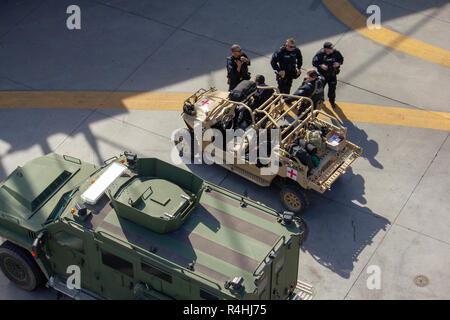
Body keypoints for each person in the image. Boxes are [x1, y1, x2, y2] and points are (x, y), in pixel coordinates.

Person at [312, 41, 344, 108]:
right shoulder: (320, 54)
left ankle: (332, 101)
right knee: (321, 89)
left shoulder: (336, 53)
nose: (332, 49)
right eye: (330, 48)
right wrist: (321, 65)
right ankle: (321, 100)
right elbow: (314, 62)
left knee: (332, 89)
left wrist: (338, 63)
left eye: (332, 48)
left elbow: (341, 59)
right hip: (323, 75)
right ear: (326, 49)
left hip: (332, 74)